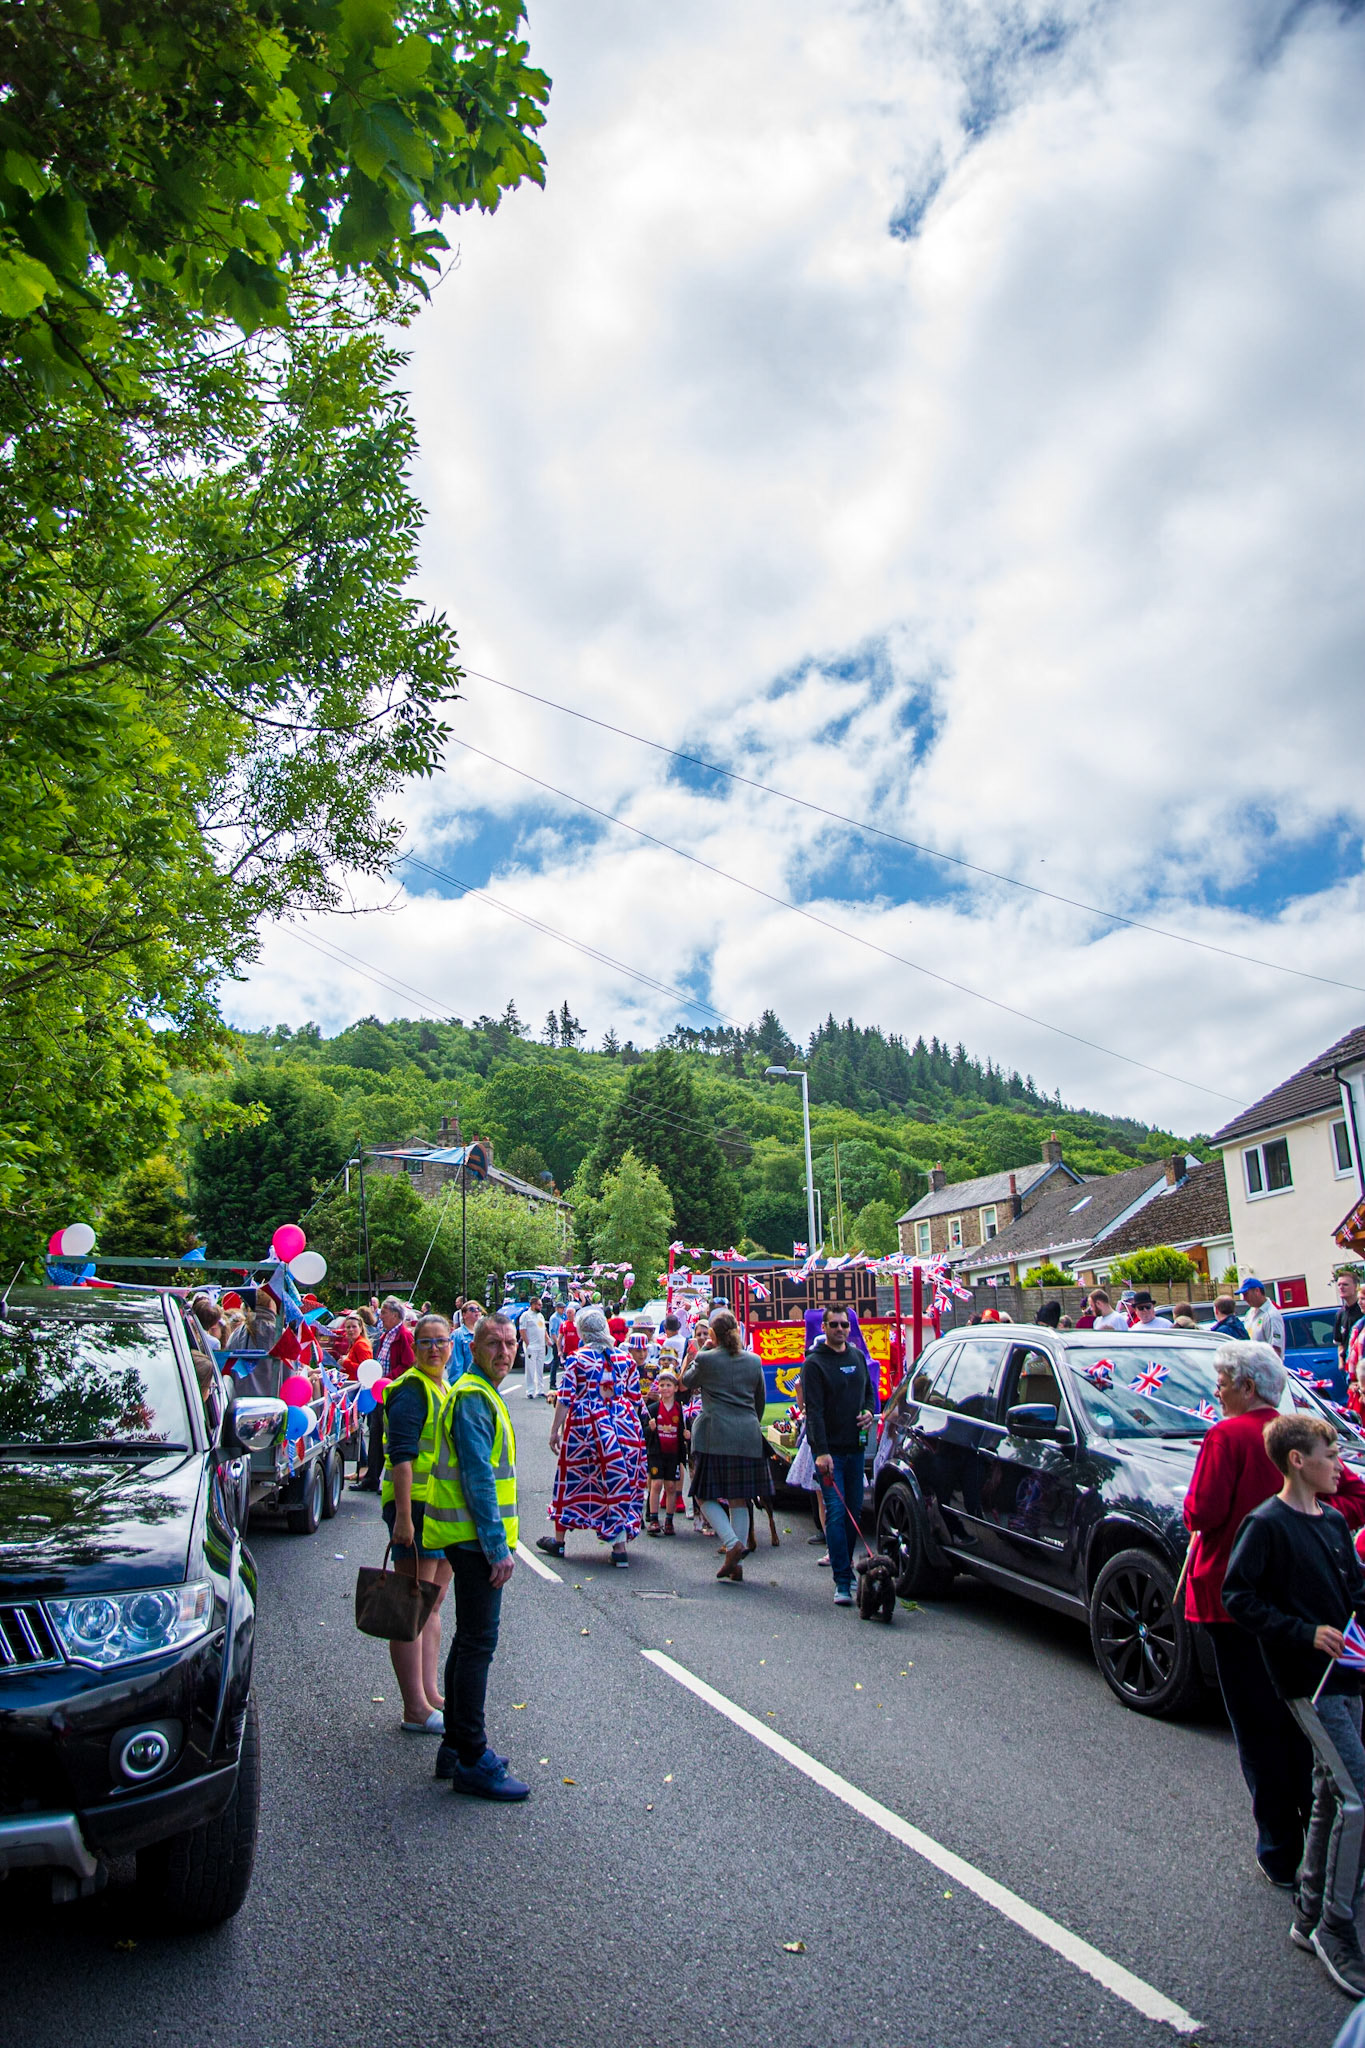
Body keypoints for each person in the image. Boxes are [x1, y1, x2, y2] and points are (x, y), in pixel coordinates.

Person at [1225, 1414, 1365, 1999]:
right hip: (1307, 1682)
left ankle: (1309, 1913)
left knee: (1333, 1790)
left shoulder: (1332, 1521)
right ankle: (1336, 1925)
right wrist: (1303, 1632)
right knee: (1360, 1795)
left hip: (1349, 1677)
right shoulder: (1267, 1525)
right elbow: (1238, 1597)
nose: (1340, 1465)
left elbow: (1353, 1590)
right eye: (1329, 1454)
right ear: (1297, 1462)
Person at [1183, 1341, 1312, 1888]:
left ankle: (1280, 1849)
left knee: (1256, 1728)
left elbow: (1201, 1511)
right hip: (1293, 1596)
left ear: (1248, 1386)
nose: (1216, 1390)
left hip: (1229, 1596)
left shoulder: (1226, 1436)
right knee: (1297, 1722)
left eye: (1223, 1381)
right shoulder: (1299, 1435)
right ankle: (1316, 1834)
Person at [423, 1312, 529, 1802]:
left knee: (468, 1642)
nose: (504, 1352)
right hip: (473, 1543)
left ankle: (454, 1747)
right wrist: (497, 1549)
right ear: (474, 1346)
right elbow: (477, 1478)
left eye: (510, 1344)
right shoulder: (472, 1397)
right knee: (478, 1646)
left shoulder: (479, 1392)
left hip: (468, 1541)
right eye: (494, 1343)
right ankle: (472, 1757)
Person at [381, 1313, 454, 1735]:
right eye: (425, 1342)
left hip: (440, 1510)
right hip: (418, 1510)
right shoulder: (411, 1390)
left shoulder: (440, 1385)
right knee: (412, 1606)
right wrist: (405, 1518)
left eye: (440, 1341)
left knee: (432, 1604)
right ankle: (415, 1707)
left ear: (450, 1344)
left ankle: (430, 1695)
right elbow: (401, 1457)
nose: (432, 1349)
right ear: (414, 1345)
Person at [540, 1306, 646, 1566]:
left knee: (573, 1477)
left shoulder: (577, 1359)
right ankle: (619, 1547)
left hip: (585, 1427)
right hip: (622, 1425)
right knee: (617, 1479)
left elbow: (565, 1398)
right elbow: (635, 1399)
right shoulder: (625, 1359)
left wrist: (555, 1431)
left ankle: (560, 1541)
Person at [681, 1308, 769, 1583]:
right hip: (747, 1434)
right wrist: (748, 1421)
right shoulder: (754, 1360)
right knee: (738, 1498)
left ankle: (733, 1544)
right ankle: (737, 1564)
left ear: (715, 1335)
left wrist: (703, 1349)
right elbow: (760, 1401)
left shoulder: (706, 1358)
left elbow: (686, 1382)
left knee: (703, 1495)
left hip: (714, 1435)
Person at [801, 1305, 875, 1607]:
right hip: (829, 1453)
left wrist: (870, 1412)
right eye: (834, 1325)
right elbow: (813, 1412)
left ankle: (848, 1571)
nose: (840, 1329)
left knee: (853, 1514)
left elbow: (870, 1393)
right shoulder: (815, 1364)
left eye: (844, 1324)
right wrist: (820, 1452)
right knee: (834, 1511)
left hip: (855, 1449)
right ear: (824, 1328)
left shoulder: (857, 1357)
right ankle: (842, 1580)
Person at [354, 1295, 414, 1491]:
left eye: (385, 1313)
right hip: (379, 1392)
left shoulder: (404, 1336)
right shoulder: (385, 1334)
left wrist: (387, 1379)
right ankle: (371, 1478)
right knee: (375, 1435)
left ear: (396, 1315)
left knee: (390, 1438)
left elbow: (407, 1364)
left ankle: (389, 1480)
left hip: (392, 1392)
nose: (381, 1317)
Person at [644, 1364, 690, 1535]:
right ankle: (654, 1519)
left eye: (668, 1385)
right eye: (662, 1385)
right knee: (656, 1484)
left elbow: (684, 1431)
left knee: (671, 1486)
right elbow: (644, 1433)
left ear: (676, 1388)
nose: (665, 1388)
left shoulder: (680, 1409)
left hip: (673, 1454)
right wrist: (651, 1429)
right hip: (657, 1452)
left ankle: (669, 1521)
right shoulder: (653, 1410)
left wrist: (687, 1435)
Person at [1239, 1278, 1286, 1358]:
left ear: (1257, 1291)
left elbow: (1275, 1349)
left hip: (1266, 1368)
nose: (1244, 1298)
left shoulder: (1271, 1315)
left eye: (1246, 1294)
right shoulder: (1250, 1313)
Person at [1338, 1275, 1364, 1383]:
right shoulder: (1340, 1314)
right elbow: (1340, 1341)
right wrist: (1341, 1363)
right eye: (1339, 1285)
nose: (1341, 1287)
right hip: (1352, 1371)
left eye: (1345, 1284)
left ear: (1355, 1287)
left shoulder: (1360, 1313)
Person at [520, 1299, 547, 1401]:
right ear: (533, 1305)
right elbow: (522, 1330)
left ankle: (540, 1389)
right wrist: (528, 1344)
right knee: (530, 1369)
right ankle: (530, 1390)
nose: (540, 1307)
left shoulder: (540, 1316)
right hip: (532, 1346)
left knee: (540, 1368)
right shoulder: (526, 1316)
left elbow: (543, 1329)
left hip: (541, 1346)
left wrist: (547, 1340)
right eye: (539, 1305)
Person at [448, 1298, 482, 1379]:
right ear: (464, 1315)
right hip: (466, 1384)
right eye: (472, 1309)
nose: (476, 1311)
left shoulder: (485, 1334)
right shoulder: (457, 1335)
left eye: (478, 1309)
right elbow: (455, 1365)